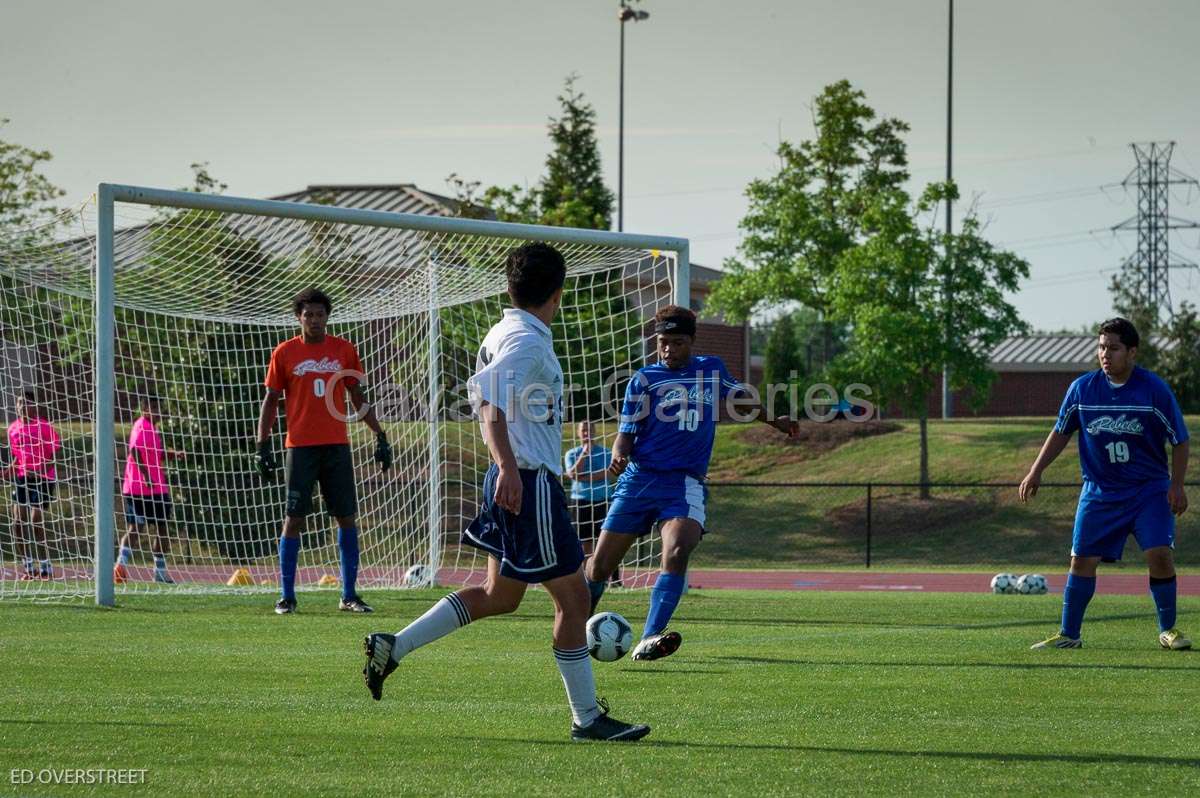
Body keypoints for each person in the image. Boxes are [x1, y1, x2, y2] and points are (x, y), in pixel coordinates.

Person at [362, 242, 650, 742]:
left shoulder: (508, 330)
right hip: (529, 481)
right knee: (576, 599)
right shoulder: (527, 341)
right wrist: (508, 469)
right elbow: (488, 404)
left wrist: (505, 469)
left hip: (522, 477)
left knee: (500, 595)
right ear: (558, 293)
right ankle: (586, 719)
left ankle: (395, 646)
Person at [584, 305, 796, 661]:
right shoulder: (644, 379)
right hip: (639, 480)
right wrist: (618, 455)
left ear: (691, 342)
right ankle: (576, 626)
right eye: (663, 342)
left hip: (684, 483)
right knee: (600, 567)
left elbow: (742, 400)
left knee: (679, 550)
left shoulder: (710, 371)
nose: (668, 349)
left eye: (677, 342)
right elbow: (625, 435)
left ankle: (650, 638)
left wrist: (777, 422)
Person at [1020, 317, 1191, 651]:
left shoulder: (1153, 389)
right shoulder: (1082, 389)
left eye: (1113, 348)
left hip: (1148, 490)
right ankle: (1069, 634)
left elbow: (1180, 440)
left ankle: (1168, 630)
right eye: (1101, 347)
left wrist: (1178, 485)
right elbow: (1061, 431)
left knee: (1160, 556)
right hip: (1099, 492)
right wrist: (1036, 470)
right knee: (1081, 561)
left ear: (1132, 352)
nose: (1105, 354)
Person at [256, 287, 392, 615]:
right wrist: (262, 445)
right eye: (308, 315)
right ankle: (286, 596)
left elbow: (357, 398)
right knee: (293, 519)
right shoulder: (284, 353)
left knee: (346, 518)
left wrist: (380, 435)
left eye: (320, 314)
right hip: (300, 448)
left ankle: (348, 595)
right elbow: (271, 401)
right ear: (298, 318)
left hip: (336, 447)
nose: (315, 320)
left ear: (327, 317)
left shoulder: (344, 350)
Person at [115, 394, 185, 584]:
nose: (157, 412)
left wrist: (173, 454)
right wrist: (146, 476)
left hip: (157, 488)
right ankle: (119, 567)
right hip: (139, 488)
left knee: (162, 528)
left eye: (158, 408)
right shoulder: (141, 426)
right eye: (153, 408)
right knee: (135, 528)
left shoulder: (153, 429)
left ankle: (160, 573)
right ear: (145, 408)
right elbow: (134, 451)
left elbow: (155, 454)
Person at [6, 389, 61, 579]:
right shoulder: (12, 429)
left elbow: (54, 458)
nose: (22, 407)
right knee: (17, 522)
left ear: (34, 406)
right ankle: (28, 567)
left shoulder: (44, 427)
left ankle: (46, 567)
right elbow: (17, 458)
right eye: (19, 403)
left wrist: (38, 469)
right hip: (22, 478)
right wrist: (9, 470)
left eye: (26, 403)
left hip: (43, 478)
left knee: (36, 519)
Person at [563, 421, 619, 583]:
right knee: (585, 542)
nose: (587, 433)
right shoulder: (572, 454)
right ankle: (588, 578)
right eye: (584, 430)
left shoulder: (605, 453)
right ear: (579, 433)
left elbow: (608, 473)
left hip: (603, 500)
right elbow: (573, 473)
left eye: (590, 430)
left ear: (595, 432)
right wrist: (585, 455)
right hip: (581, 501)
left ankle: (615, 580)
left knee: (607, 540)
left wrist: (584, 478)